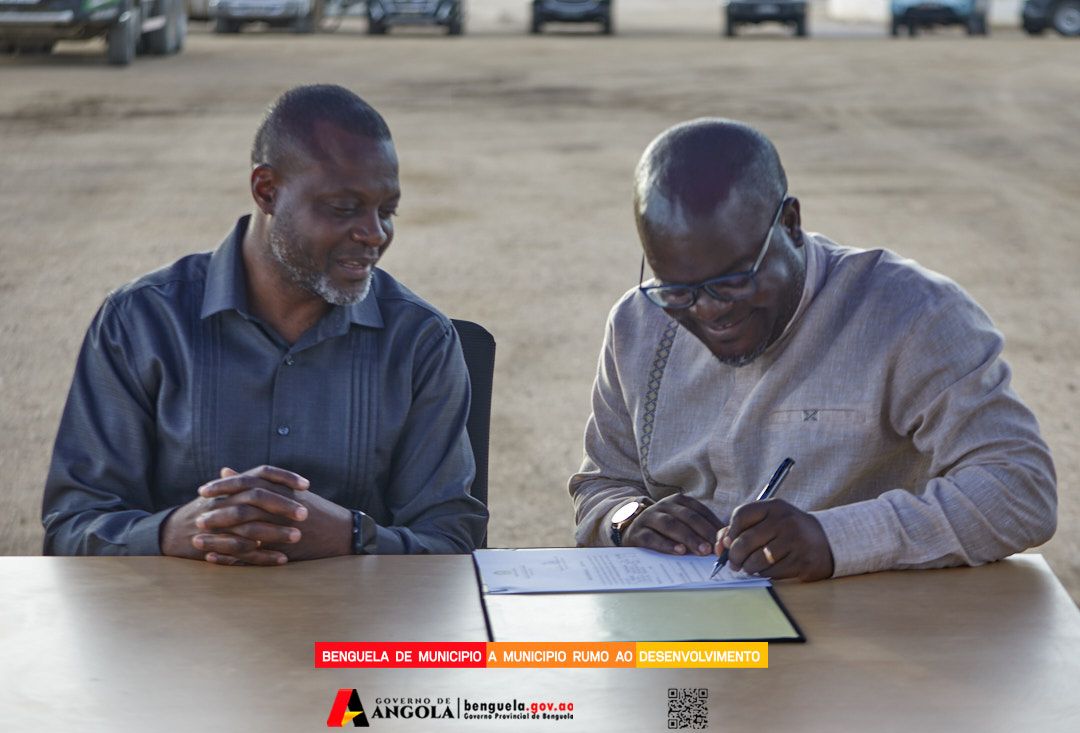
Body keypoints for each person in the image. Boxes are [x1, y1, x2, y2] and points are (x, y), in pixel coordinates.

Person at [570, 118, 1056, 581]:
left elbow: (1019, 489)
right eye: (679, 290)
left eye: (734, 281)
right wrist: (628, 518)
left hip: (863, 626)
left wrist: (834, 540)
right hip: (683, 623)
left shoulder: (912, 316)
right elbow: (602, 484)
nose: (709, 310)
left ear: (790, 223)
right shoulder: (639, 322)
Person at [42, 84, 487, 564]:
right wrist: (172, 533)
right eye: (344, 208)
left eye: (387, 211)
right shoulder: (140, 323)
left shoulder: (419, 340)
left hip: (356, 614)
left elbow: (452, 539)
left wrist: (353, 534)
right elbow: (71, 528)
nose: (374, 233)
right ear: (266, 191)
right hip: (174, 612)